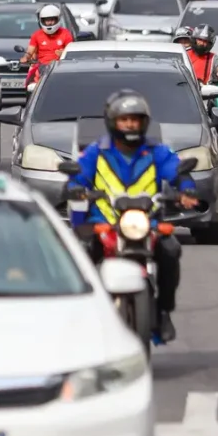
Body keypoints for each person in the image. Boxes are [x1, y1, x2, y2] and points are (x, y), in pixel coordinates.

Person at [66, 90, 199, 342]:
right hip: (102, 223)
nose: (130, 124)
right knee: (79, 258)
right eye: (124, 120)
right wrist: (75, 188)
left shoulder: (156, 151)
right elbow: (78, 176)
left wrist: (186, 190)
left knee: (170, 251)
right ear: (113, 122)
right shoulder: (97, 152)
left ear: (143, 122)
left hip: (146, 223)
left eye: (135, 120)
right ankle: (80, 316)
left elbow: (177, 171)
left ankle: (163, 311)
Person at [185, 24, 218, 154]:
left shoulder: (213, 58)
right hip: (184, 92)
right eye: (200, 40)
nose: (202, 44)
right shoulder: (185, 54)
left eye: (205, 42)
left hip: (205, 94)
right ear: (194, 39)